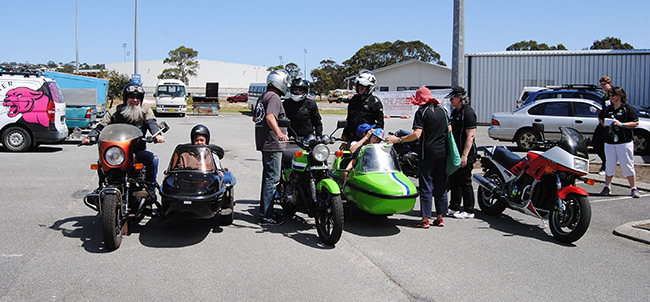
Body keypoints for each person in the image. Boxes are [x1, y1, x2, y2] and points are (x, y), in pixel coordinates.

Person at [82, 82, 164, 194]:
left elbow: (152, 123)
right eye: (131, 97)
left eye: (137, 97)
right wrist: (90, 136)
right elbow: (102, 125)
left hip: (137, 151)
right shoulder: (115, 110)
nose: (135, 100)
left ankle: (150, 190)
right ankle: (102, 188)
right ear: (125, 98)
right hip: (117, 152)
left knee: (152, 159)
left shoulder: (145, 110)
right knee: (101, 162)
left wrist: (157, 135)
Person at [386, 86, 449, 228]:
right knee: (440, 184)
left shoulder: (422, 112)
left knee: (426, 184)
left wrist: (399, 140)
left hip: (427, 152)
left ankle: (425, 219)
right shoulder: (443, 111)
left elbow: (416, 134)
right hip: (443, 152)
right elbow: (449, 130)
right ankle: (440, 217)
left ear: (420, 100)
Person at [254, 69, 290, 225]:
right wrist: (279, 134)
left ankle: (265, 211)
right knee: (273, 179)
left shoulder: (263, 96)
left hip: (264, 142)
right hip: (273, 144)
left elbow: (256, 118)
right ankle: (266, 215)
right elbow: (269, 116)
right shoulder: (274, 97)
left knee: (268, 178)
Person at [598, 87, 640, 198]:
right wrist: (606, 125)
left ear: (620, 96)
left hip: (624, 142)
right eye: (610, 95)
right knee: (609, 164)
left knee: (627, 164)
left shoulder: (627, 109)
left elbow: (636, 123)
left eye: (613, 95)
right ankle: (607, 186)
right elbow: (600, 117)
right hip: (609, 142)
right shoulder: (608, 109)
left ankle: (633, 188)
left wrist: (621, 125)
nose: (611, 97)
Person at [446, 87, 478, 219]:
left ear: (460, 98)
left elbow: (470, 136)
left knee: (465, 181)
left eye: (453, 97)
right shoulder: (455, 112)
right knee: (454, 180)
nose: (451, 100)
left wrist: (464, 155)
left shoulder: (468, 112)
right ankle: (454, 206)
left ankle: (469, 210)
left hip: (466, 153)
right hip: (456, 152)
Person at [342, 69, 384, 148]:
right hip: (351, 139)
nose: (361, 87)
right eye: (359, 85)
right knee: (347, 159)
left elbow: (380, 124)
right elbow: (349, 119)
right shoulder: (353, 100)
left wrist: (373, 139)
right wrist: (344, 135)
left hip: (366, 141)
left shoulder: (375, 102)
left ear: (370, 87)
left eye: (364, 86)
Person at [592, 76, 612, 175]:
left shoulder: (612, 95)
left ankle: (606, 165)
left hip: (608, 123)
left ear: (609, 84)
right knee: (595, 143)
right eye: (602, 85)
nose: (603, 86)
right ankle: (605, 162)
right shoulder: (604, 96)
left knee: (604, 144)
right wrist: (599, 111)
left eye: (605, 84)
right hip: (602, 121)